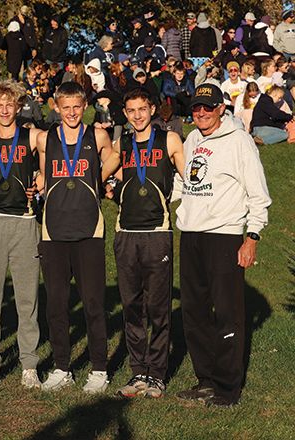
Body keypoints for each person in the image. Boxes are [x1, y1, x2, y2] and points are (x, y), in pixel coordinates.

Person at [175, 83, 271, 407]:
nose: (201, 113)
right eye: (196, 108)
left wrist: (252, 236)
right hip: (191, 233)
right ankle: (205, 378)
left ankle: (229, 388)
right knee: (194, 311)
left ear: (221, 108)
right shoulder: (191, 139)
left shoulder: (239, 141)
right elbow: (182, 181)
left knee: (227, 312)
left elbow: (258, 193)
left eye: (207, 107)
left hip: (225, 234)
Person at [35, 81, 120, 393]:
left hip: (89, 229)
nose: (71, 112)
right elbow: (45, 176)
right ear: (56, 107)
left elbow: (113, 158)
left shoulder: (96, 135)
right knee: (56, 304)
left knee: (93, 302)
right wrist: (36, 185)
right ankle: (62, 368)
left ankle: (99, 369)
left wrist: (99, 179)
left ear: (85, 107)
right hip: (54, 230)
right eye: (65, 107)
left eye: (76, 107)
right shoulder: (46, 138)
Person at [105, 88, 185, 399]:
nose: (137, 115)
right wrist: (109, 189)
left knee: (159, 308)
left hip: (157, 233)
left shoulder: (169, 140)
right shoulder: (122, 143)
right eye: (131, 110)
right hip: (126, 234)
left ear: (151, 109)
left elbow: (193, 178)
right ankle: (138, 372)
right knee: (131, 306)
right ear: (124, 114)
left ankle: (158, 374)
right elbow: (99, 175)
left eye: (142, 109)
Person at [0, 80, 43, 389]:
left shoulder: (32, 137)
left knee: (27, 299)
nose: (4, 109)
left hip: (25, 224)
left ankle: (29, 364)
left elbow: (59, 152)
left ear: (18, 107)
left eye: (9, 104)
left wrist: (42, 177)